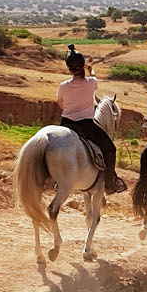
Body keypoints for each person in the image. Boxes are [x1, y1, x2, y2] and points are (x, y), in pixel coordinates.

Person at [57, 45, 127, 194]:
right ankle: (109, 184)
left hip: (66, 123)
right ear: (82, 66)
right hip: (86, 125)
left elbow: (60, 104)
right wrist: (89, 68)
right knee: (110, 149)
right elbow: (94, 76)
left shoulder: (63, 86)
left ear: (69, 69)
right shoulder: (91, 83)